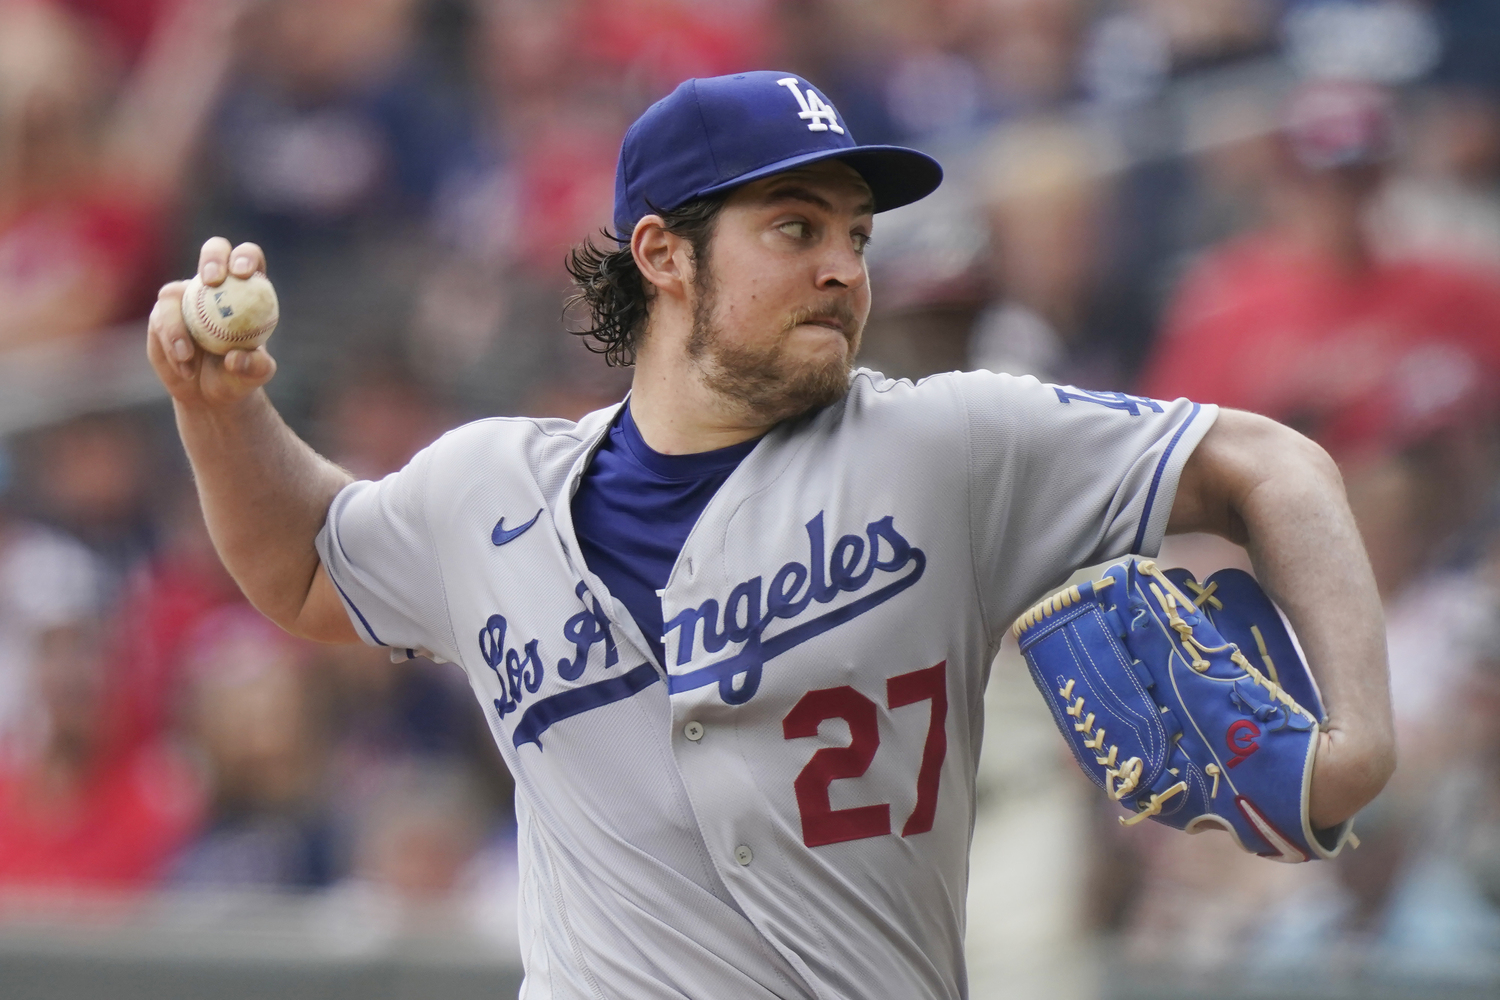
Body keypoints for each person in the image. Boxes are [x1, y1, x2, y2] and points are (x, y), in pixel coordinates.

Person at [146, 71, 1394, 999]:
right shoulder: (487, 489)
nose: (845, 268)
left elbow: (1268, 462)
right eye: (796, 229)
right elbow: (306, 560)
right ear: (662, 254)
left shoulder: (945, 446)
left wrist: (1358, 745)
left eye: (856, 235)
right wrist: (222, 409)